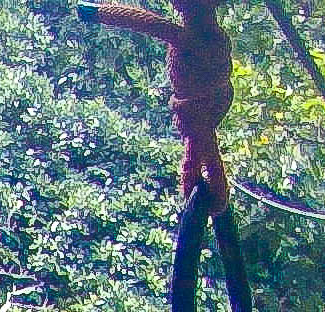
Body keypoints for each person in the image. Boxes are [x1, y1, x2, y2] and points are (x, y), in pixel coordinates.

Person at [79, 0, 231, 202]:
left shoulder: (187, 39)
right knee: (201, 149)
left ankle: (212, 198)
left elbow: (143, 22)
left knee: (200, 151)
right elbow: (143, 22)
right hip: (212, 101)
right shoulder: (214, 42)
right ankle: (214, 200)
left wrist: (97, 12)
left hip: (201, 103)